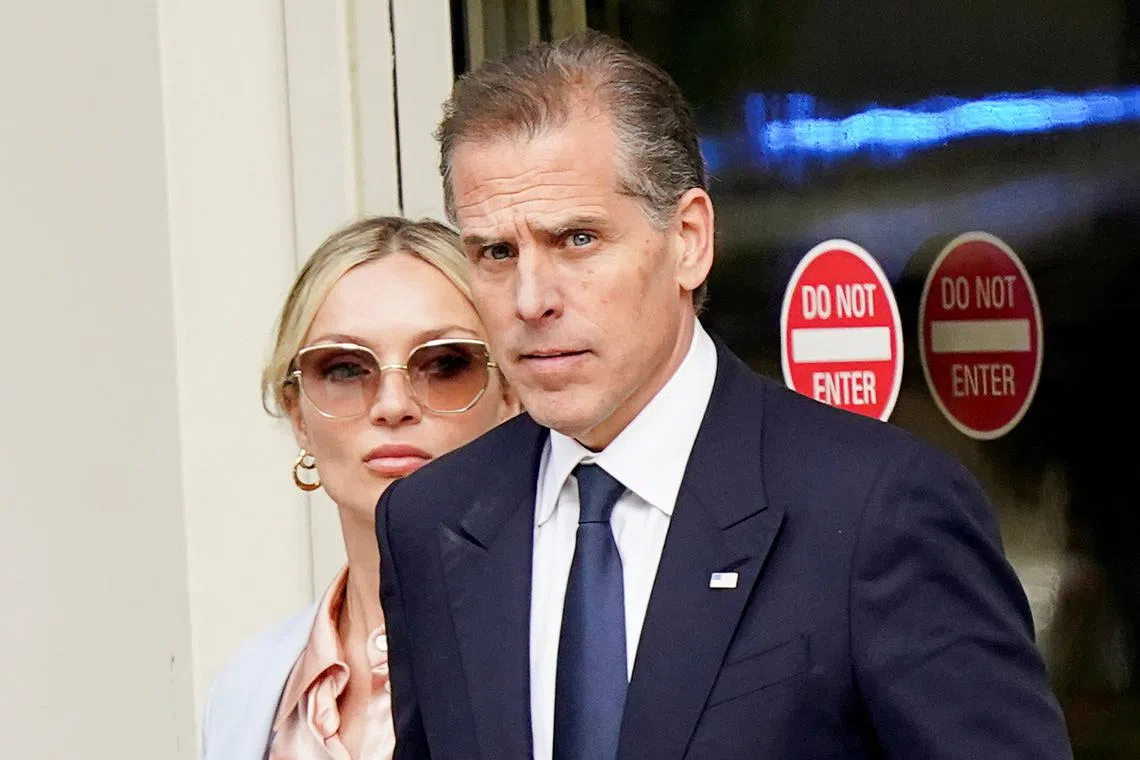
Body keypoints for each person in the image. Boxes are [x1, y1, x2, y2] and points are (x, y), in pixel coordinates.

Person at [375, 31, 1073, 760]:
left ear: (689, 239)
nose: (530, 298)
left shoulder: (878, 510)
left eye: (577, 240)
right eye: (496, 252)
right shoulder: (433, 522)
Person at [200, 216, 518, 760]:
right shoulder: (248, 688)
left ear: (511, 392)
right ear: (298, 413)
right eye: (345, 369)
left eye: (444, 363)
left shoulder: (574, 646)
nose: (393, 405)